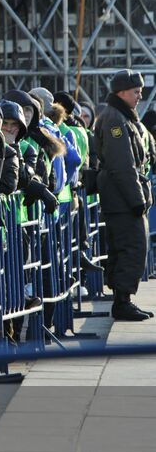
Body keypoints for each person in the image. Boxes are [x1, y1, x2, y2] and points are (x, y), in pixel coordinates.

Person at [94, 69, 153, 321]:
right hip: (122, 197)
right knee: (133, 246)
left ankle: (123, 298)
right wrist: (137, 198)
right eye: (136, 91)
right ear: (121, 92)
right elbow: (122, 164)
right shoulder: (116, 119)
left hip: (120, 194)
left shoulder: (123, 116)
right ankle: (122, 300)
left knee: (127, 247)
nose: (140, 95)